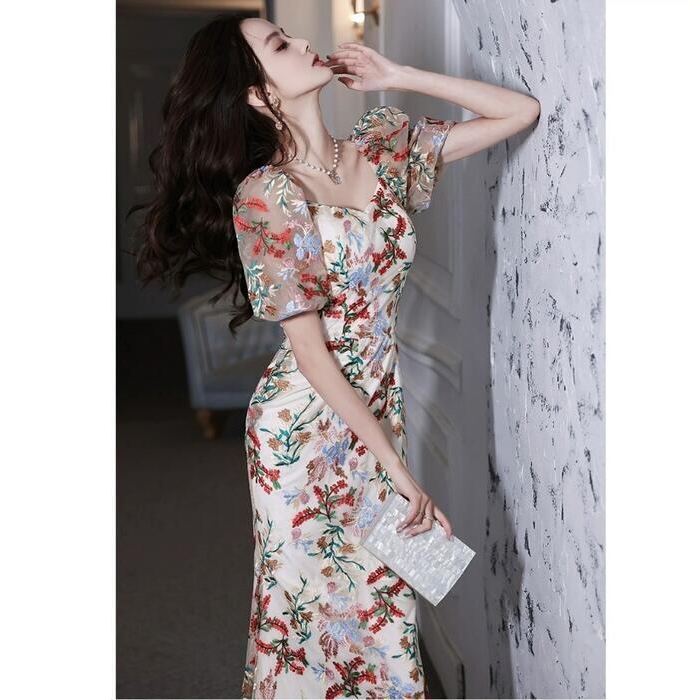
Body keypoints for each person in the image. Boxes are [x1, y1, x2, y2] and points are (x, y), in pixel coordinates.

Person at [131, 12, 540, 698]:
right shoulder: (266, 196)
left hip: (375, 408)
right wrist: (398, 469)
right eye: (279, 45)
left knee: (383, 606)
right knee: (306, 622)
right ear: (258, 93)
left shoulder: (381, 148)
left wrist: (398, 75)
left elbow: (518, 112)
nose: (302, 43)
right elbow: (312, 354)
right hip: (301, 431)